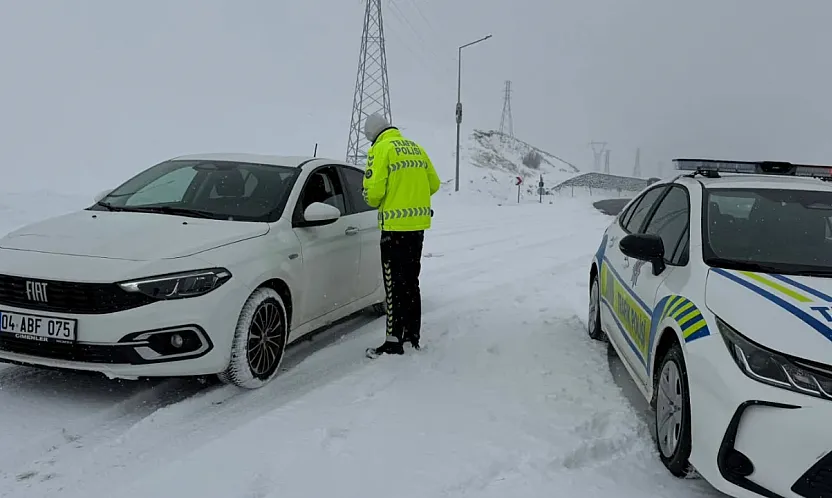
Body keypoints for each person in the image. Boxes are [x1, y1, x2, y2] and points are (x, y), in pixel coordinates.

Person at [361, 112, 441, 358]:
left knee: (393, 285)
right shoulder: (415, 148)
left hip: (394, 230)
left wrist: (370, 195)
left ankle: (393, 340)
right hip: (417, 228)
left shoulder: (380, 150)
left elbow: (374, 194)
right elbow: (434, 184)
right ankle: (412, 335)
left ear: (373, 135)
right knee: (410, 282)